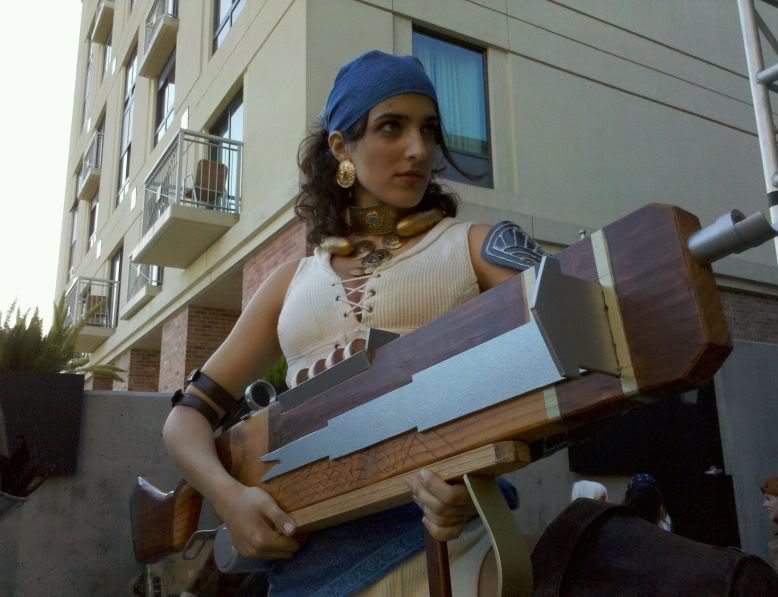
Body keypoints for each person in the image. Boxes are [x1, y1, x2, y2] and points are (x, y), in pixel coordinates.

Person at [162, 50, 546, 595]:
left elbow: (590, 347)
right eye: (391, 127)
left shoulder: (478, 246)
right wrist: (229, 500)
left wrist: (478, 474)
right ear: (341, 147)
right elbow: (184, 419)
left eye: (428, 130)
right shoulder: (289, 284)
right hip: (305, 568)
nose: (418, 149)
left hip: (448, 549)